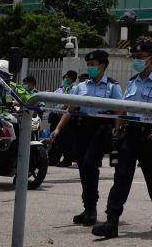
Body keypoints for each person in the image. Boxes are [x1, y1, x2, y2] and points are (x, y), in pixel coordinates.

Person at [92, 40, 152, 238]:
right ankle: (112, 220)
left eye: (141, 57)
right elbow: (123, 109)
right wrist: (117, 131)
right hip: (131, 133)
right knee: (121, 176)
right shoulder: (132, 82)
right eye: (134, 57)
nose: (137, 61)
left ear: (151, 58)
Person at [51, 50, 123, 226]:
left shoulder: (113, 86)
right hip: (81, 130)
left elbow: (119, 111)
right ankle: (87, 207)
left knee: (90, 166)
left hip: (100, 130)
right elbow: (71, 109)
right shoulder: (81, 87)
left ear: (103, 66)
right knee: (83, 168)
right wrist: (58, 129)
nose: (90, 68)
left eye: (93, 65)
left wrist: (117, 132)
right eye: (88, 65)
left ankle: (92, 209)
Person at [49, 71, 78, 167]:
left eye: (66, 78)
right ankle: (54, 158)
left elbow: (72, 101)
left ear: (71, 78)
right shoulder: (61, 88)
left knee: (67, 139)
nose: (65, 79)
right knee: (57, 139)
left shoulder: (75, 88)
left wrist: (65, 105)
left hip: (68, 117)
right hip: (57, 116)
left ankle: (67, 159)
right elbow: (54, 98)